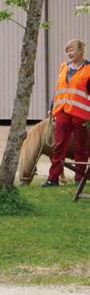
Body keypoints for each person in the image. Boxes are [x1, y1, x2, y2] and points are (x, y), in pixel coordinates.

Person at [43, 39, 90, 187]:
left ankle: (80, 179)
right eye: (67, 51)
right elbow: (59, 90)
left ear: (81, 50)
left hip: (81, 114)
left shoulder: (88, 69)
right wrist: (52, 106)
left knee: (80, 147)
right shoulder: (63, 67)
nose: (69, 53)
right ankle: (53, 179)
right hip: (62, 111)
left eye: (71, 50)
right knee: (58, 146)